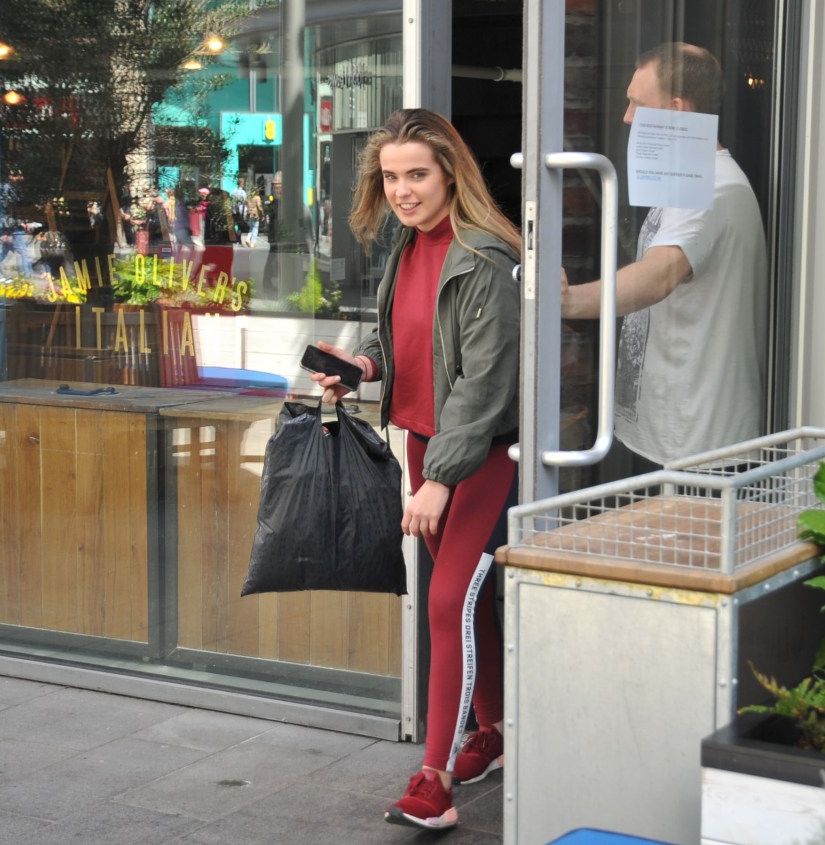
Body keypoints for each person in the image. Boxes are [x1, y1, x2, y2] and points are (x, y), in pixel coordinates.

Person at [308, 108, 523, 831]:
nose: (402, 190)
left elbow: (485, 386)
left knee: (444, 601)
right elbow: (399, 334)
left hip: (479, 454)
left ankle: (432, 779)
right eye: (391, 176)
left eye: (416, 175)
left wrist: (440, 478)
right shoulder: (408, 246)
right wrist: (360, 364)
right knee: (463, 604)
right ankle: (491, 730)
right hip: (426, 447)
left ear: (450, 173)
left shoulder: (484, 255)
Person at [561, 43, 768, 469]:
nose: (627, 117)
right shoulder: (690, 182)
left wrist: (562, 302)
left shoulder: (710, 189)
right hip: (675, 434)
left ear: (676, 110)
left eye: (637, 103)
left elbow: (658, 277)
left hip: (697, 447)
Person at [0, 167, 32, 277]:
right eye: (18, 175)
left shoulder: (8, 188)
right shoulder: (7, 189)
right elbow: (7, 210)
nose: (21, 178)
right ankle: (27, 275)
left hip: (11, 225)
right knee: (23, 251)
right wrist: (8, 231)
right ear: (10, 176)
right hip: (12, 226)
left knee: (4, 252)